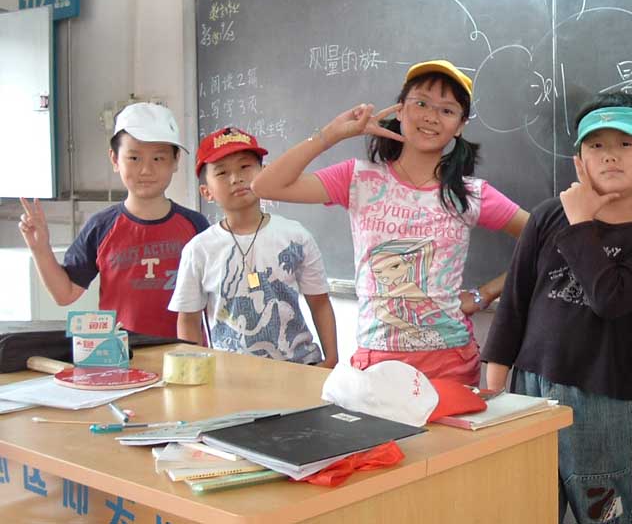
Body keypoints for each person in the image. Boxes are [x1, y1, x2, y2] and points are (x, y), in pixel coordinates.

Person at [251, 60, 528, 385]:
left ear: (460, 125)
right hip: (377, 363)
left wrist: (486, 294)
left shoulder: (470, 194)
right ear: (400, 109)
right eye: (421, 103)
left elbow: (543, 236)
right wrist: (332, 134)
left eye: (446, 110)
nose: (431, 116)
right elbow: (265, 186)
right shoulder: (358, 178)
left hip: (450, 363)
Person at [482, 92, 632, 524]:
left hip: (600, 400)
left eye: (626, 144)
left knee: (604, 512)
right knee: (528, 507)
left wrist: (582, 222)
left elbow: (610, 300)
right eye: (596, 145)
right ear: (579, 162)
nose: (610, 155)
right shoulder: (547, 216)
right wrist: (495, 386)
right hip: (527, 388)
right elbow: (514, 300)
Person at [18, 102, 208, 338]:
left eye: (158, 158)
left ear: (176, 160)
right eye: (134, 158)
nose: (146, 170)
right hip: (119, 354)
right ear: (115, 159)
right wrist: (40, 248)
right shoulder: (100, 227)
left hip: (183, 356)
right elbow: (65, 294)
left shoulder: (196, 226)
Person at [168, 127, 338, 367]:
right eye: (222, 172)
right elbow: (188, 319)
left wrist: (331, 359)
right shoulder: (199, 249)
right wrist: (193, 370)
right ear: (206, 192)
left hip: (300, 368)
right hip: (230, 375)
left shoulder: (295, 236)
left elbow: (319, 302)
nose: (236, 178)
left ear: (265, 173)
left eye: (245, 167)